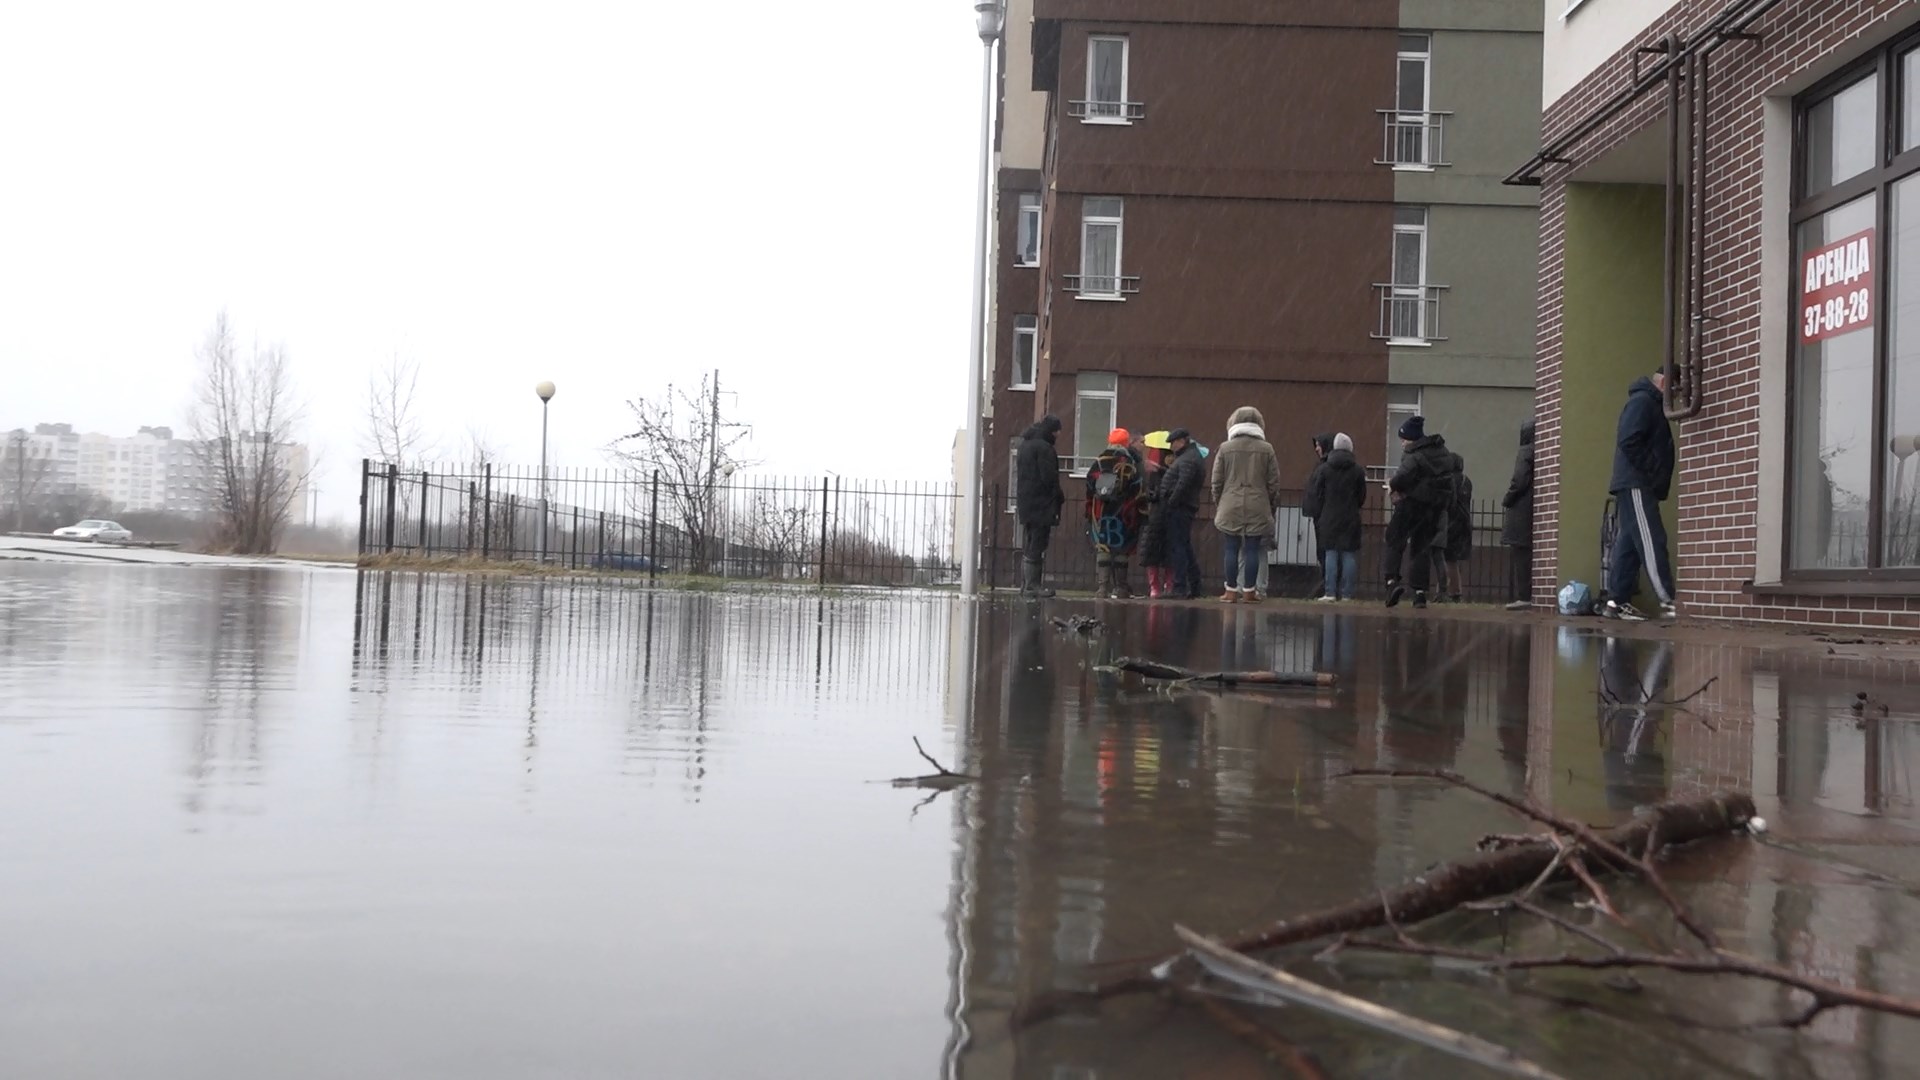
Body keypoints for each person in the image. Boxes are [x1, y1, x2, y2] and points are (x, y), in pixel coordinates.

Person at [1605, 372, 1677, 621]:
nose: (1676, 398)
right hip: (1637, 483)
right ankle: (1669, 601)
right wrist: (1652, 470)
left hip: (1634, 482)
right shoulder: (1644, 403)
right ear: (1665, 383)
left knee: (1630, 543)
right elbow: (1629, 439)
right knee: (1651, 539)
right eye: (1675, 391)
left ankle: (1616, 601)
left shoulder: (1645, 402)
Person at [1211, 406, 1283, 603]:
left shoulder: (1225, 448)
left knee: (1231, 548)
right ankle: (1250, 590)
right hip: (1258, 504)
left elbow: (1217, 481)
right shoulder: (1267, 449)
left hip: (1230, 503)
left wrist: (1220, 502)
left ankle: (1231, 590)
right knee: (1252, 548)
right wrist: (1270, 504)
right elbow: (1273, 482)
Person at [1384, 415, 1456, 610]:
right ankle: (1420, 593)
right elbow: (1449, 481)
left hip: (1412, 504)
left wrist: (1392, 485)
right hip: (1433, 508)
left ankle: (1392, 583)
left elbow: (1402, 477)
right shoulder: (1442, 453)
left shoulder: (1414, 454)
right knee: (1421, 548)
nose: (1402, 443)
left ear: (1412, 438)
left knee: (1393, 538)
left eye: (1403, 439)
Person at [1085, 428, 1146, 598]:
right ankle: (1120, 587)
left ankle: (1102, 587)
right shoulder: (1130, 462)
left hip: (1101, 511)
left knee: (1102, 546)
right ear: (1126, 443)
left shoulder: (1099, 461)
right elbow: (1137, 487)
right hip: (1124, 512)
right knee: (1121, 548)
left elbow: (1090, 485)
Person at [1306, 432, 1366, 601]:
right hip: (1350, 517)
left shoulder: (1325, 469)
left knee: (1330, 553)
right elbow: (1361, 496)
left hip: (1329, 516)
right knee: (1348, 555)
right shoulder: (1357, 471)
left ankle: (1330, 592)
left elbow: (1318, 493)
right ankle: (1347, 593)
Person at [1014, 415, 1066, 598]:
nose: (1059, 434)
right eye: (1057, 430)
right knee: (1038, 543)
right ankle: (1032, 586)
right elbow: (1048, 477)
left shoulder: (1025, 446)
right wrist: (1058, 496)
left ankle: (1026, 584)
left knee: (1030, 542)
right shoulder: (1044, 448)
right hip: (1041, 503)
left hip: (1027, 502)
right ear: (1052, 430)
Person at [1159, 428, 1207, 599]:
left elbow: (1183, 483)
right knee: (1184, 546)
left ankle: (1180, 586)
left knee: (1179, 547)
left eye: (1173, 443)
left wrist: (1171, 501)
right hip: (1183, 506)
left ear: (1182, 441)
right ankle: (1195, 586)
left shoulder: (1188, 459)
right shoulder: (1191, 457)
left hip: (1180, 508)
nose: (1171, 447)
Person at [1502, 419, 1535, 611]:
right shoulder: (1538, 451)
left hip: (1521, 507)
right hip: (1531, 506)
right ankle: (1527, 594)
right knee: (1526, 552)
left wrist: (1508, 497)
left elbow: (1519, 479)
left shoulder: (1525, 451)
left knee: (1520, 552)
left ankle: (1524, 596)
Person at [1137, 434, 1173, 598]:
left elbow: (1151, 493)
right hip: (1162, 516)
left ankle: (1160, 587)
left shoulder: (1158, 472)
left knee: (1160, 553)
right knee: (1162, 553)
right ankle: (1161, 586)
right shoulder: (1158, 473)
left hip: (1158, 516)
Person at [1437, 451, 1473, 603]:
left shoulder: (1448, 480)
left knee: (1446, 558)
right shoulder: (1466, 481)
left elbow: (1446, 501)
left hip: (1450, 522)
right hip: (1463, 522)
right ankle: (1451, 590)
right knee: (1453, 559)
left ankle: (1448, 591)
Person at [1302, 434, 1335, 595]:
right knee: (1325, 551)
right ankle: (1328, 585)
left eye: (1318, 445)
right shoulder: (1324, 465)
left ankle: (1328, 586)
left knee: (1325, 551)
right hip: (1321, 514)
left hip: (1323, 515)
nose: (1316, 448)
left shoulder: (1325, 466)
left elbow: (1318, 491)